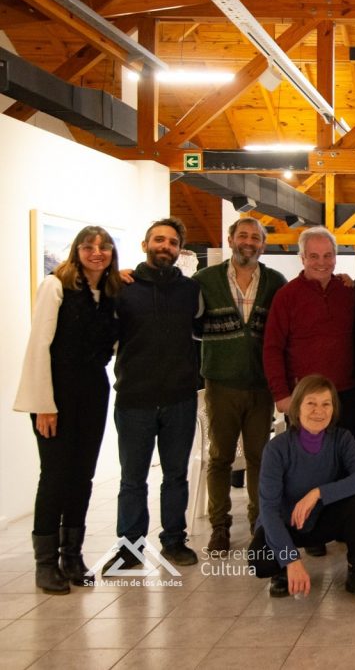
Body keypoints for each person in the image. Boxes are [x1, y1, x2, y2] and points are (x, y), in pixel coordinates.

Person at [15, 226, 120, 594]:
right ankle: (45, 564)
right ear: (76, 251)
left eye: (104, 247)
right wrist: (44, 404)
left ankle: (72, 556)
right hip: (56, 394)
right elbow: (39, 346)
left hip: (93, 391)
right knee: (55, 477)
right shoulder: (55, 286)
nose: (97, 253)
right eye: (89, 247)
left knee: (82, 477)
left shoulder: (109, 294)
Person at [105, 217, 202, 572]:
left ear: (180, 250)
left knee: (176, 476)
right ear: (145, 245)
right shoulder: (123, 288)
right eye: (159, 240)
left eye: (172, 242)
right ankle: (130, 549)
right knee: (133, 479)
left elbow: (201, 333)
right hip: (135, 398)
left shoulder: (190, 290)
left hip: (180, 398)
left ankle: (174, 541)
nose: (165, 246)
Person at [194, 218, 286, 555]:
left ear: (263, 244)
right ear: (231, 239)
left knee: (259, 457)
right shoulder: (205, 280)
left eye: (255, 237)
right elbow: (190, 326)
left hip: (261, 385)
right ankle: (219, 526)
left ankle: (259, 523)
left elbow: (282, 330)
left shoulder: (275, 282)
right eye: (242, 235)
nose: (248, 242)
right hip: (221, 383)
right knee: (220, 457)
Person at [248, 375, 355, 602]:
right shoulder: (276, 449)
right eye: (311, 403)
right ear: (297, 407)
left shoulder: (341, 439)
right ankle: (282, 570)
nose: (319, 411)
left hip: (322, 520)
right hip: (286, 524)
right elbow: (268, 510)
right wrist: (290, 558)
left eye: (326, 404)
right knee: (260, 561)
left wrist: (318, 493)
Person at [263, 226, 355, 431]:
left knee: (343, 451)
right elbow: (272, 348)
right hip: (304, 396)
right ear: (302, 258)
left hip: (345, 395)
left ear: (335, 257)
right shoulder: (286, 296)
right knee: (305, 452)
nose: (321, 262)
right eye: (314, 256)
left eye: (327, 255)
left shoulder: (348, 292)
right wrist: (281, 395)